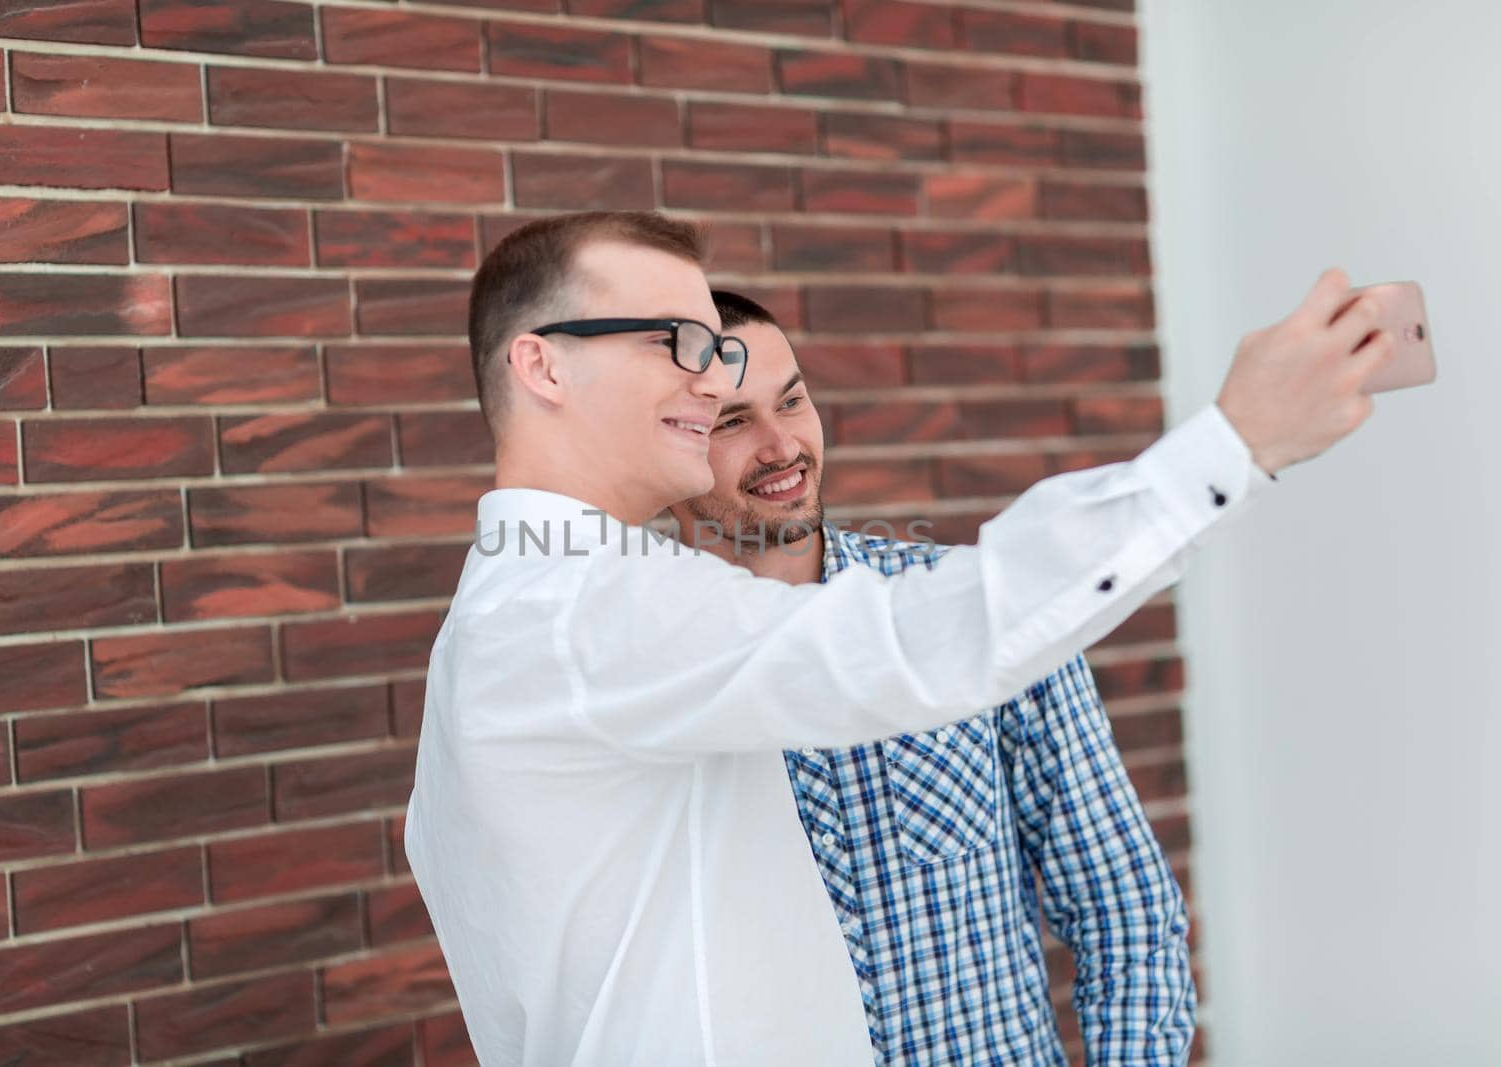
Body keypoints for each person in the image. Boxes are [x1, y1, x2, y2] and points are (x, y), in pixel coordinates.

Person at [401, 210, 1393, 1066]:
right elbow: (927, 643)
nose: (709, 389)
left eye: (741, 366)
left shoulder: (580, 605)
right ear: (541, 363)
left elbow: (1119, 902)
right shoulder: (573, 614)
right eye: (677, 343)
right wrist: (1232, 441)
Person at [669, 289, 1194, 1064]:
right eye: (735, 421)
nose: (784, 446)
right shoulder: (642, 663)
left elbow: (1124, 906)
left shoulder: (968, 608)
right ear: (671, 444)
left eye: (794, 401)